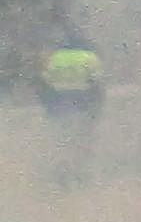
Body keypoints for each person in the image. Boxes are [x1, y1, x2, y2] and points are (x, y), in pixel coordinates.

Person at [36, 35, 106, 190]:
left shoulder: (54, 58)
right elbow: (98, 82)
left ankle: (62, 170)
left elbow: (44, 82)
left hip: (59, 104)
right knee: (82, 138)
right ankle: (80, 173)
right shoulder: (90, 57)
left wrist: (48, 106)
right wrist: (97, 108)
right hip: (83, 104)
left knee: (61, 138)